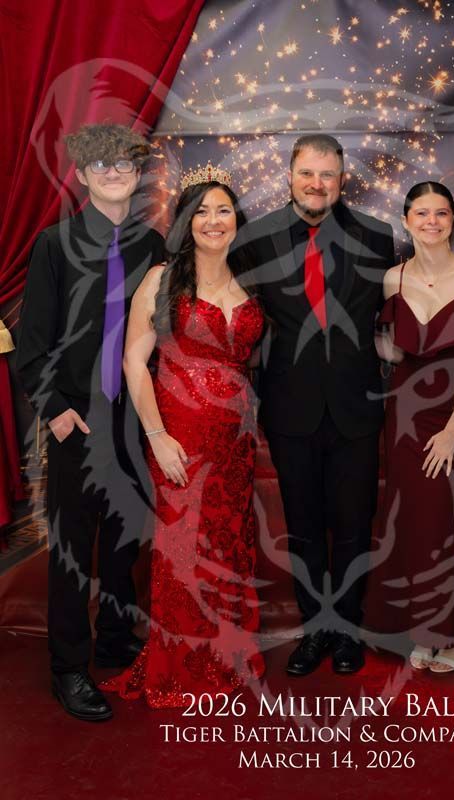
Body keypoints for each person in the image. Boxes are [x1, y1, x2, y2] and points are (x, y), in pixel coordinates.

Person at [16, 123, 165, 721]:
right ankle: (69, 666)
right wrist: (54, 411)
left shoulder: (152, 246)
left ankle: (116, 637)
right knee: (74, 548)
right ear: (81, 174)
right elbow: (32, 344)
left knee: (127, 538)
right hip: (76, 418)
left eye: (124, 164)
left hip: (132, 417)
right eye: (100, 165)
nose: (112, 172)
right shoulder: (54, 244)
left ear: (136, 175)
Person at [100, 169, 265, 708]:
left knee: (230, 546)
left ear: (236, 220)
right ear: (186, 222)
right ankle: (182, 669)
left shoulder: (250, 281)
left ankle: (228, 659)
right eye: (202, 212)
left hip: (236, 440)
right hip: (180, 434)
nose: (213, 221)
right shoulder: (162, 278)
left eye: (222, 211)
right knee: (182, 549)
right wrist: (158, 435)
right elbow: (133, 362)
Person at [237, 134, 395, 675]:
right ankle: (314, 632)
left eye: (327, 174)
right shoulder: (255, 237)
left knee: (353, 526)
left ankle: (346, 633)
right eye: (308, 172)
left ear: (342, 176)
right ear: (290, 174)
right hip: (289, 408)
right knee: (303, 527)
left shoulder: (376, 235)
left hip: (356, 407)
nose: (317, 184)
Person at [374, 181, 454, 672]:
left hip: (450, 413)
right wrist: (383, 348)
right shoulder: (392, 279)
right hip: (401, 411)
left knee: (438, 521)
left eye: (441, 213)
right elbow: (394, 349)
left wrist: (452, 430)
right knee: (408, 520)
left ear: (453, 220)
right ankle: (424, 629)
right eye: (421, 213)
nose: (431, 221)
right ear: (406, 221)